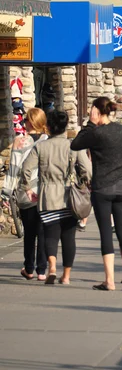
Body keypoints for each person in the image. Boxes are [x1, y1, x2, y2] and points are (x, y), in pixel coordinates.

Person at [71, 97, 122, 292]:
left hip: (102, 188)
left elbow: (76, 144)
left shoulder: (96, 133)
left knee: (106, 233)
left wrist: (90, 124)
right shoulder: (120, 130)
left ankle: (110, 281)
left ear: (97, 112)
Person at [22, 111, 91, 286]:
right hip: (69, 197)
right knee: (68, 236)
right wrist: (84, 182)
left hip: (47, 197)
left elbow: (26, 169)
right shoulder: (73, 146)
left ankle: (52, 267)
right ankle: (66, 275)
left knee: (50, 235)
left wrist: (28, 189)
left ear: (49, 127)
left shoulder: (41, 147)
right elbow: (88, 171)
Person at [2, 108, 48, 281]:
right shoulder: (47, 141)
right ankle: (42, 270)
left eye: (26, 120)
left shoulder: (20, 142)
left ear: (31, 122)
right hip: (45, 193)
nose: (23, 123)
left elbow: (13, 169)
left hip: (26, 194)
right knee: (43, 232)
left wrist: (6, 192)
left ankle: (29, 267)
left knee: (29, 233)